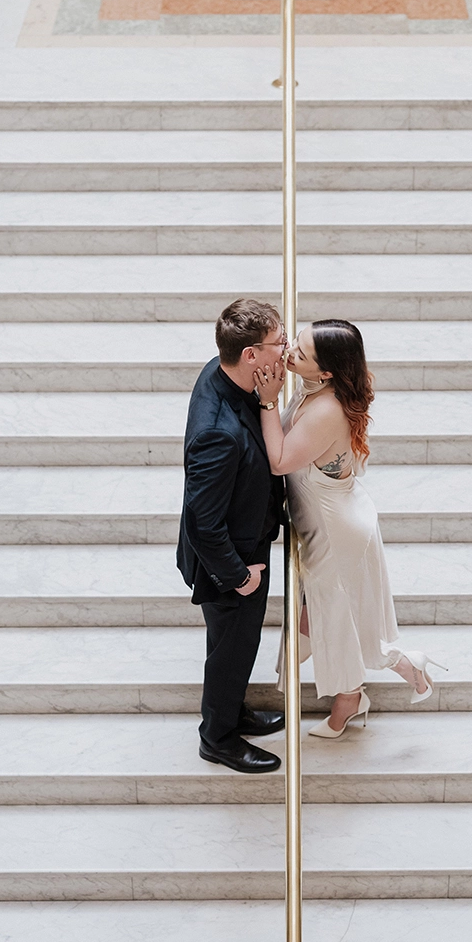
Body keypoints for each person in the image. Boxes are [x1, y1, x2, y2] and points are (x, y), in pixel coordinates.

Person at [259, 320, 442, 738]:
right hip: (334, 519)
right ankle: (404, 665)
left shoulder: (326, 408)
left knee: (334, 622)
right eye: (295, 343)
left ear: (326, 372)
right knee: (319, 621)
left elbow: (280, 461)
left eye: (299, 354)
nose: (288, 354)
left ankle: (349, 700)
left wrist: (268, 402)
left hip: (334, 533)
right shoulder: (320, 388)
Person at [178, 300, 291, 774]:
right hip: (233, 562)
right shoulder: (217, 434)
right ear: (250, 355)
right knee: (233, 646)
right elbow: (203, 521)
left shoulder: (223, 370)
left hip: (245, 540)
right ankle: (218, 737)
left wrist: (268, 399)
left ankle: (232, 710)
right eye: (278, 342)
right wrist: (238, 575)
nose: (285, 349)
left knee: (232, 647)